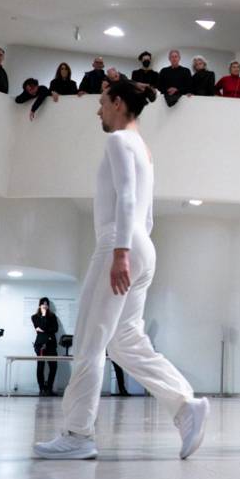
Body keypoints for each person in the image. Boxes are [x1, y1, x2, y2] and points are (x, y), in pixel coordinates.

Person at [34, 79, 208, 459]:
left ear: (116, 103)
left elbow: (127, 196)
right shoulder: (143, 148)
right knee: (125, 341)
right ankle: (184, 404)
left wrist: (120, 252)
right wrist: (136, 249)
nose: (98, 110)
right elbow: (144, 211)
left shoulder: (116, 141)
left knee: (88, 342)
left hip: (119, 241)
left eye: (101, 103)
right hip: (140, 243)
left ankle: (78, 435)